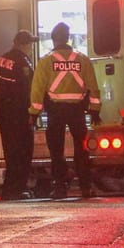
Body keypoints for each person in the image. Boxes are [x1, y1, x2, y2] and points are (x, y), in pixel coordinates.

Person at [29, 22, 101, 199]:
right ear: (68, 38)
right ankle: (85, 187)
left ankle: (60, 188)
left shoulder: (46, 62)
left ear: (53, 39)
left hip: (55, 112)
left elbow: (37, 90)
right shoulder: (83, 59)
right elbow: (93, 87)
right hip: (77, 111)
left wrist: (33, 114)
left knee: (56, 152)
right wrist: (95, 111)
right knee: (81, 150)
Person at [0, 30, 36, 200]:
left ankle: (9, 190)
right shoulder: (23, 62)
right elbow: (28, 89)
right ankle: (18, 189)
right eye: (30, 44)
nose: (31, 48)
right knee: (23, 152)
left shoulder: (2, 59)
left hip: (4, 111)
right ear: (24, 44)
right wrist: (32, 112)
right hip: (19, 113)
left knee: (11, 152)